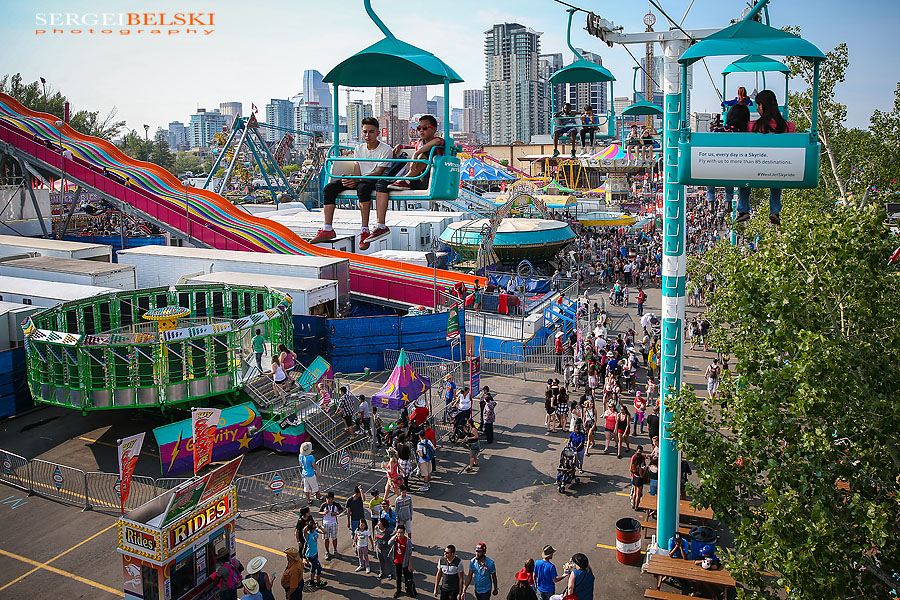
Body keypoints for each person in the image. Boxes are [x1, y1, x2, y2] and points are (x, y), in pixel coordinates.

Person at [311, 117, 393, 249]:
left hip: (375, 180)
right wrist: (350, 179)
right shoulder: (359, 149)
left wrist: (357, 179)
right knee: (329, 188)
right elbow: (358, 169)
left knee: (363, 189)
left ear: (378, 133)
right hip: (360, 179)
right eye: (365, 132)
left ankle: (364, 230)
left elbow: (378, 172)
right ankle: (327, 228)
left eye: (371, 132)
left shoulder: (385, 149)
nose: (367, 135)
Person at [737, 90, 797, 226]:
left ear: (761, 106)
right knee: (776, 175)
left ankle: (743, 209)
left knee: (743, 176)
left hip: (753, 168)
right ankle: (774, 211)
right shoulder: (789, 127)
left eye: (757, 106)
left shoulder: (751, 126)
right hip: (778, 168)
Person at [707, 104, 751, 221]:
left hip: (713, 167)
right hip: (734, 169)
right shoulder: (743, 134)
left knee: (708, 170)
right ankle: (729, 200)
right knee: (733, 172)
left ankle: (710, 199)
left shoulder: (715, 130)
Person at [389, 114, 444, 191]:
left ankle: (406, 180)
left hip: (431, 180)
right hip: (418, 178)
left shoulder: (438, 142)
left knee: (427, 152)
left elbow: (437, 141)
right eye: (419, 128)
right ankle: (404, 181)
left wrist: (416, 154)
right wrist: (402, 146)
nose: (421, 130)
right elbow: (415, 147)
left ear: (434, 130)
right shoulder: (420, 143)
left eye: (425, 128)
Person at [388, 524, 417, 598]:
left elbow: (410, 553)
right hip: (397, 561)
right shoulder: (395, 539)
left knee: (407, 577)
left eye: (401, 532)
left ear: (404, 533)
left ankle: (408, 590)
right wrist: (395, 536)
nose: (399, 534)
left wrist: (409, 565)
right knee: (398, 576)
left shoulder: (408, 541)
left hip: (405, 562)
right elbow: (389, 543)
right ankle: (398, 590)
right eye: (398, 532)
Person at [318, 491, 344, 561]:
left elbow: (341, 510)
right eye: (327, 499)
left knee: (334, 538)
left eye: (330, 499)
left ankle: (335, 551)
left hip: (334, 523)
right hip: (325, 523)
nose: (328, 500)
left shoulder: (336, 505)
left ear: (332, 499)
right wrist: (324, 513)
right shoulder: (324, 505)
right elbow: (319, 512)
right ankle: (327, 552)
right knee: (326, 538)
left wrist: (336, 513)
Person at [303, 519, 326, 588]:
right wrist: (308, 525)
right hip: (310, 555)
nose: (315, 528)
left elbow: (324, 532)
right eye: (313, 527)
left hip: (315, 553)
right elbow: (304, 530)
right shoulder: (308, 535)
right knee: (319, 568)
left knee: (313, 568)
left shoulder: (315, 531)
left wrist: (319, 526)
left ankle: (312, 581)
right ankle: (318, 582)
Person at [374, 516, 395, 580]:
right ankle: (382, 572)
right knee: (381, 561)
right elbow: (375, 535)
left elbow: (392, 540)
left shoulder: (389, 531)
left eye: (380, 525)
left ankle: (390, 573)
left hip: (386, 549)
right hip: (379, 548)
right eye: (378, 524)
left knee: (388, 561)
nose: (378, 526)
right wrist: (375, 542)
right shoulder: (376, 528)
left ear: (384, 526)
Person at [630, 446, 647, 510]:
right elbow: (641, 475)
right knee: (638, 494)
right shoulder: (639, 468)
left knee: (634, 493)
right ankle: (636, 506)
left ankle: (633, 504)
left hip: (634, 477)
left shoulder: (634, 465)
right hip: (639, 480)